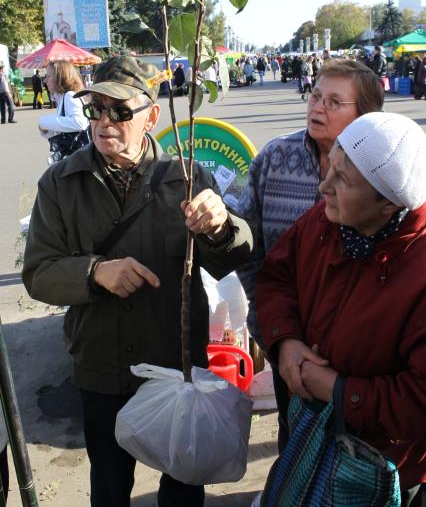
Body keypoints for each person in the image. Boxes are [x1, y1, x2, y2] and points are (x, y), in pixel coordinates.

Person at [22, 55, 255, 507]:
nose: (105, 121)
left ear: (150, 116)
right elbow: (37, 273)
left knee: (183, 483)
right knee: (109, 486)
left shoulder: (186, 179)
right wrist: (94, 273)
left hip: (174, 363)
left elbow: (234, 255)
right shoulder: (60, 183)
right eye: (96, 109)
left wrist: (221, 226)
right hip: (101, 366)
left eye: (120, 111)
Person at [256, 112, 426, 506]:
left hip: (386, 473)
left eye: (343, 180)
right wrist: (286, 341)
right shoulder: (326, 219)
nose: (323, 187)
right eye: (330, 168)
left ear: (388, 205)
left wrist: (339, 392)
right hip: (313, 438)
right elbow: (277, 278)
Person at [236, 59, 384, 451]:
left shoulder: (385, 171)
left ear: (365, 114)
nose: (317, 107)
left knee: (358, 459)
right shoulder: (274, 158)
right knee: (296, 450)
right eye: (316, 95)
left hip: (362, 363)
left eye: (334, 102)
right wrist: (272, 334)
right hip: (287, 347)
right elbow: (252, 250)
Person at [38, 61, 90, 163]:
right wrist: (47, 130)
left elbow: (79, 123)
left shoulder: (69, 95)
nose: (45, 80)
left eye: (48, 76)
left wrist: (44, 122)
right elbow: (66, 128)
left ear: (60, 77)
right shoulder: (63, 96)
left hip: (77, 156)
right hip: (75, 155)